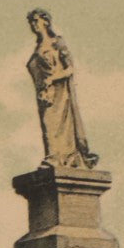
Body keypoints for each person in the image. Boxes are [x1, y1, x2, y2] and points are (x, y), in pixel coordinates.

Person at [25, 9, 98, 170]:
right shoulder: (38, 48)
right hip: (45, 94)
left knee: (56, 124)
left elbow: (70, 69)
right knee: (48, 125)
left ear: (45, 21)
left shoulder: (57, 43)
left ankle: (59, 158)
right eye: (31, 22)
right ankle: (54, 157)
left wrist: (52, 78)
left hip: (60, 93)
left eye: (35, 21)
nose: (33, 25)